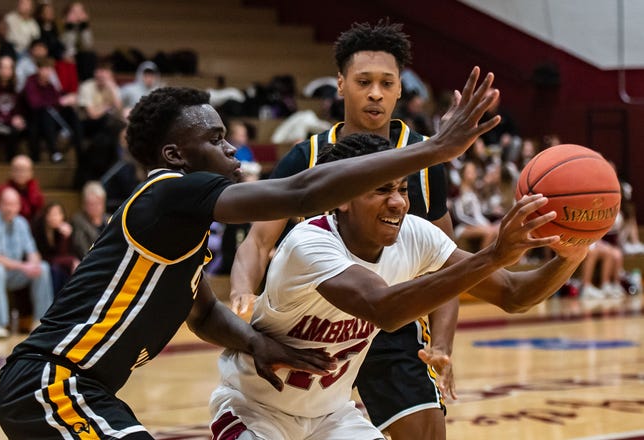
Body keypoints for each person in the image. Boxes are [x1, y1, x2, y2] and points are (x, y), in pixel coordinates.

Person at [0, 73, 500, 438]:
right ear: (176, 156)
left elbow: (202, 312)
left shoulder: (176, 231)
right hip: (53, 380)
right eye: (216, 140)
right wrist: (433, 149)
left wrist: (257, 343)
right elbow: (301, 193)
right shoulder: (169, 191)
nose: (232, 150)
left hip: (83, 387)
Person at [209, 133, 589, 440]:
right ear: (340, 199)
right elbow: (383, 308)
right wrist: (492, 255)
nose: (398, 203)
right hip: (256, 412)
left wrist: (572, 253)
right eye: (380, 190)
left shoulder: (415, 235)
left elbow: (513, 294)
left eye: (403, 189)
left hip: (331, 418)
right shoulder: (308, 243)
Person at [229, 21, 459, 439]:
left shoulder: (425, 161)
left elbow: (446, 270)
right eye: (363, 82)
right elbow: (259, 240)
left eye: (386, 83)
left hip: (391, 322)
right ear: (340, 84)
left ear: (399, 90)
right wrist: (243, 291)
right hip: (313, 328)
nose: (375, 93)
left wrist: (441, 345)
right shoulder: (307, 157)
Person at [0, 187, 53, 339]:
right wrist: (24, 266)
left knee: (42, 268)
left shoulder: (22, 223)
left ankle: (41, 322)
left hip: (14, 272)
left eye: (14, 204)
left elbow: (32, 251)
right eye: (7, 204)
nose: (10, 208)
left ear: (19, 206)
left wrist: (33, 263)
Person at [0, 55, 27, 162]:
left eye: (9, 68)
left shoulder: (14, 89)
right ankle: (10, 163)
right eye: (3, 67)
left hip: (10, 123)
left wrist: (19, 119)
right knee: (13, 132)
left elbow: (17, 111)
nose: (5, 71)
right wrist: (9, 120)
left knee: (28, 128)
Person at [31, 201, 79, 295]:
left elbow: (64, 254)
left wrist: (64, 238)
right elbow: (43, 257)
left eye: (58, 214)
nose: (54, 217)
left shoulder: (64, 231)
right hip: (44, 265)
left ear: (63, 216)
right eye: (51, 214)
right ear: (46, 216)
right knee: (55, 269)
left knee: (65, 271)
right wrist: (71, 260)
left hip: (59, 267)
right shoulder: (39, 229)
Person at [0, 154, 44, 221]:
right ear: (11, 172)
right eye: (17, 170)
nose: (21, 174)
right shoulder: (1, 191)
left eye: (24, 170)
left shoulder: (36, 192)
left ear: (31, 173)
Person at [70, 180, 111, 259]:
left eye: (98, 203)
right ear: (84, 204)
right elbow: (81, 248)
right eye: (92, 204)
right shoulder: (78, 220)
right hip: (92, 261)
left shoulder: (110, 219)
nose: (95, 207)